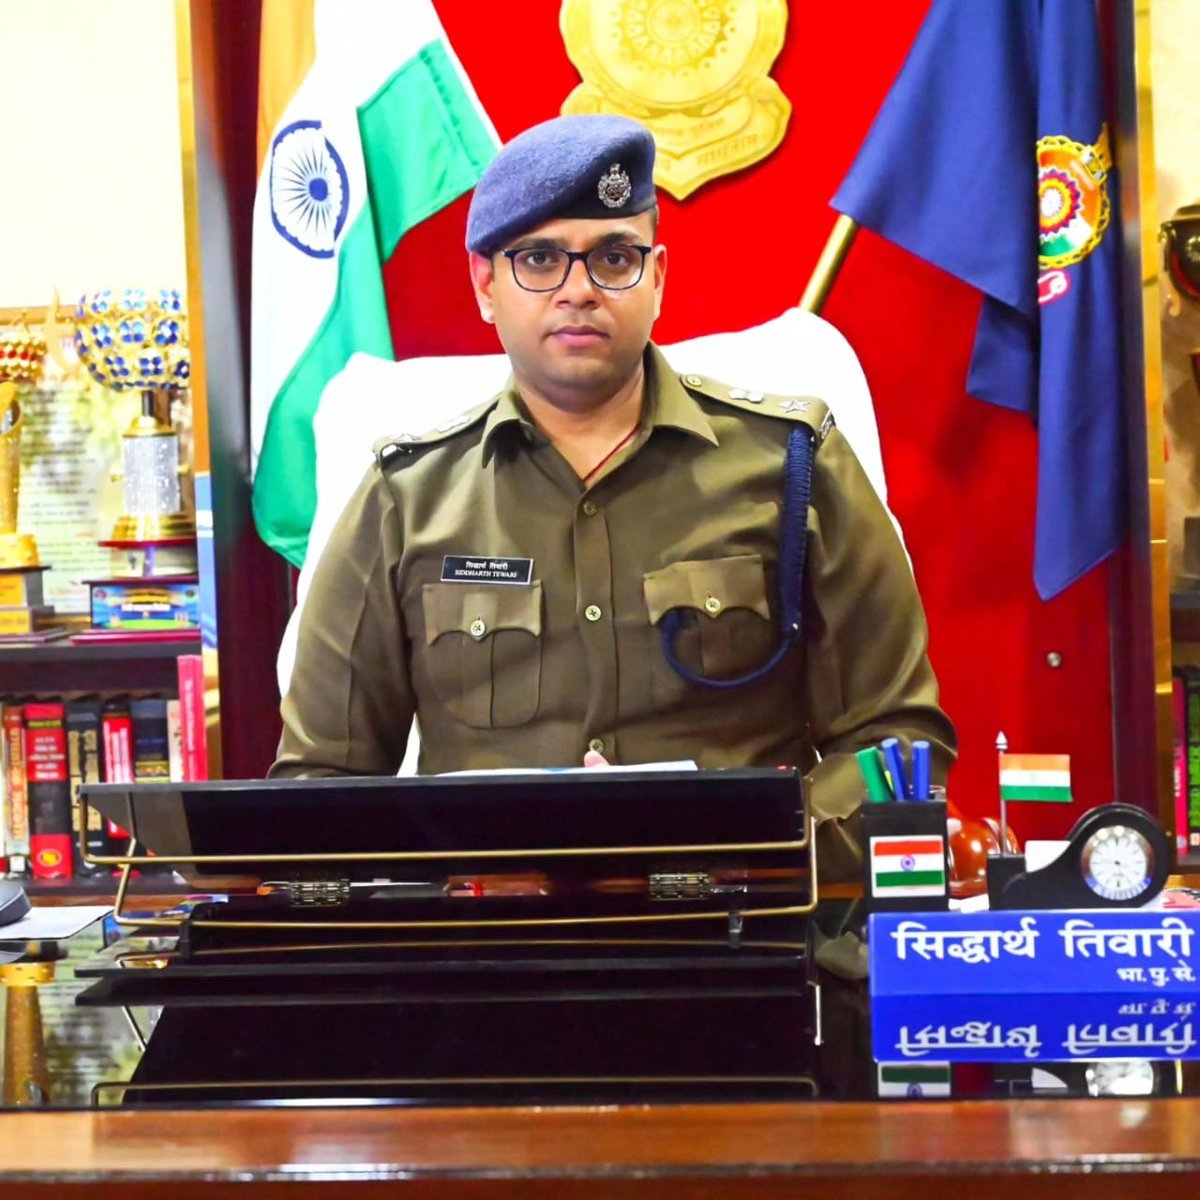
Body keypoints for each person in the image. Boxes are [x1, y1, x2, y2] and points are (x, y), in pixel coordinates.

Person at [269, 113, 957, 880]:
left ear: (656, 277)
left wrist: (755, 846)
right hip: (492, 936)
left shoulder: (793, 464)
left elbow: (900, 745)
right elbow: (321, 781)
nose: (579, 290)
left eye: (614, 258)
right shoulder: (404, 499)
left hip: (742, 924)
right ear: (485, 285)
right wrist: (449, 873)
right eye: (539, 259)